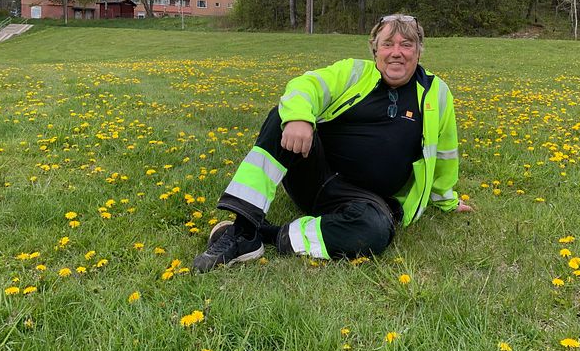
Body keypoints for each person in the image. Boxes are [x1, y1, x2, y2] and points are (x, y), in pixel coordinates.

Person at [193, 14, 472, 272]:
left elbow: (445, 153)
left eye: (406, 45)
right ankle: (243, 229)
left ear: (419, 51)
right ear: (375, 50)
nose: (396, 52)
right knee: (283, 116)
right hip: (313, 177)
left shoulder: (437, 93)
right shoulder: (353, 73)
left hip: (368, 202)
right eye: (387, 44)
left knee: (374, 233)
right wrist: (299, 118)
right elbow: (307, 85)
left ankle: (265, 235)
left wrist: (445, 199)